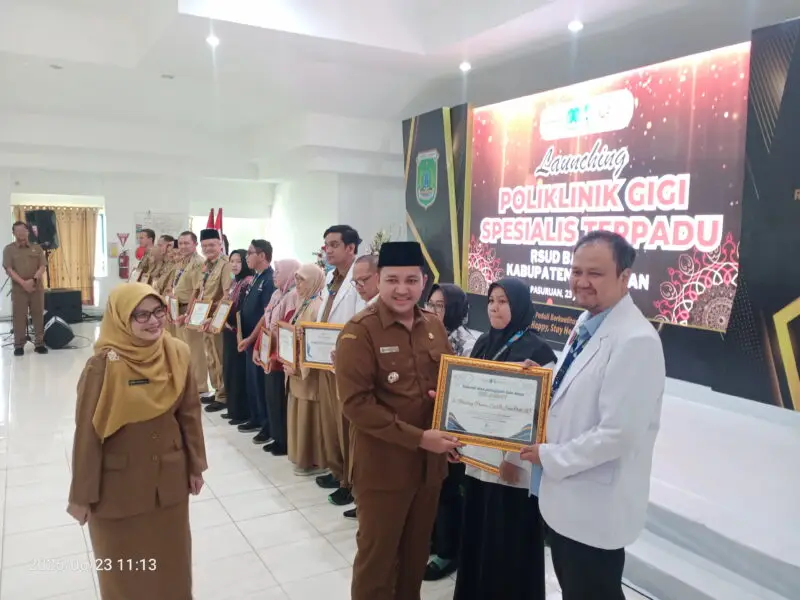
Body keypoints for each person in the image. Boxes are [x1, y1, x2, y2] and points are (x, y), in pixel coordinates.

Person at [519, 231, 665, 600]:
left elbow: (618, 434)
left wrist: (549, 457)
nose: (582, 281)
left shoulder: (635, 340)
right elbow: (581, 381)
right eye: (576, 271)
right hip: (569, 503)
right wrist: (543, 377)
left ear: (624, 277)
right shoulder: (590, 320)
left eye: (595, 273)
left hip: (594, 510)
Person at [335, 241, 461, 600]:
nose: (402, 289)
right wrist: (420, 438)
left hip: (429, 469)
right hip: (383, 469)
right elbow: (356, 405)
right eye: (392, 280)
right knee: (377, 561)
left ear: (424, 282)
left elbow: (449, 386)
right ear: (379, 280)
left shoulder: (434, 325)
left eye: (411, 280)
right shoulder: (359, 331)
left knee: (415, 556)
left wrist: (455, 430)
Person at [66, 282, 207, 600]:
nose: (153, 321)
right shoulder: (102, 367)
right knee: (125, 577)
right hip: (118, 490)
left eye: (158, 311)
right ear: (120, 319)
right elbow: (87, 435)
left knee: (172, 569)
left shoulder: (176, 353)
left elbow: (189, 414)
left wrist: (195, 466)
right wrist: (81, 496)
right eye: (140, 315)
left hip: (169, 483)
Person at [453, 277, 556, 600]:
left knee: (507, 543)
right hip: (478, 460)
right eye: (491, 301)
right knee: (479, 534)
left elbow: (540, 414)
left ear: (520, 306)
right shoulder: (483, 343)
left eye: (503, 301)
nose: (494, 308)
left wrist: (514, 461)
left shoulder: (538, 352)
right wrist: (457, 438)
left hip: (513, 469)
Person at [422, 282, 475, 580]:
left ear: (454, 309)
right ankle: (431, 540)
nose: (432, 310)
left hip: (451, 427)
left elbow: (466, 391)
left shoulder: (467, 343)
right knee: (428, 486)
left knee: (448, 491)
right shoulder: (423, 334)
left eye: (440, 306)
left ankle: (448, 551)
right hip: (424, 424)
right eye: (430, 304)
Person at [315, 225, 365, 508]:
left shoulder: (359, 279)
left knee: (346, 423)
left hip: (345, 360)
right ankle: (337, 471)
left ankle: (349, 482)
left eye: (334, 244)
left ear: (351, 248)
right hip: (323, 358)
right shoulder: (330, 277)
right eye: (326, 245)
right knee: (331, 421)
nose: (328, 250)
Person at [284, 264, 328, 474]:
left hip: (307, 372)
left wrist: (299, 368)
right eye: (296, 280)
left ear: (313, 281)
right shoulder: (304, 302)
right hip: (295, 368)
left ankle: (314, 460)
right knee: (298, 413)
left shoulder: (317, 306)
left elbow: (315, 342)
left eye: (302, 280)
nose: (298, 284)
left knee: (309, 415)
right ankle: (301, 456)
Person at [234, 240, 276, 441]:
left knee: (260, 384)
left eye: (249, 253)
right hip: (249, 339)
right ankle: (256, 418)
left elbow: (266, 315)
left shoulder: (269, 280)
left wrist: (252, 338)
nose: (246, 257)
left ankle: (266, 425)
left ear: (261, 255)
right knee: (252, 383)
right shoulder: (256, 277)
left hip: (260, 340)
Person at [261, 258, 301, 455]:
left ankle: (283, 441)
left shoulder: (293, 295)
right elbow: (267, 320)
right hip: (269, 349)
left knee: (279, 397)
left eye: (279, 271)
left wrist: (274, 352)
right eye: (275, 271)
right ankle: (276, 436)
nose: (275, 275)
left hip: (280, 354)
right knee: (271, 396)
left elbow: (286, 328)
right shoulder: (277, 293)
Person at [192, 228, 232, 414]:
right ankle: (216, 390)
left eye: (212, 245)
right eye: (205, 246)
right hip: (204, 318)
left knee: (219, 357)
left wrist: (213, 315)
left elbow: (227, 294)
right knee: (210, 356)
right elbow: (201, 291)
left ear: (220, 245)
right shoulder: (206, 266)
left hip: (217, 319)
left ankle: (224, 395)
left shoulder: (226, 265)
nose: (208, 248)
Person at [170, 231, 210, 401]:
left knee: (195, 351)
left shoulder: (198, 263)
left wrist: (188, 313)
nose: (183, 246)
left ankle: (200, 387)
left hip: (190, 310)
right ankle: (187, 384)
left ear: (195, 244)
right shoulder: (183, 262)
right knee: (184, 350)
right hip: (178, 309)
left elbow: (197, 291)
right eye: (181, 243)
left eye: (187, 243)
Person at [3, 221, 48, 356]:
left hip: (36, 288)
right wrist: (23, 283)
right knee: (19, 317)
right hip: (19, 289)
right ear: (13, 233)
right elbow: (9, 269)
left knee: (38, 315)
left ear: (28, 232)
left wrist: (33, 280)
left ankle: (39, 343)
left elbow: (42, 266)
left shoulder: (37, 248)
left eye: (23, 230)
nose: (21, 233)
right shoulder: (9, 249)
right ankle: (19, 345)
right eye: (17, 231)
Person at [220, 249, 254, 426]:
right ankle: (232, 408)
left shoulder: (248, 281)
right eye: (231, 261)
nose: (234, 265)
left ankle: (241, 412)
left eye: (238, 261)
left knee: (238, 373)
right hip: (228, 330)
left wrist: (229, 321)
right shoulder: (236, 281)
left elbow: (242, 309)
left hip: (238, 332)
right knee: (229, 370)